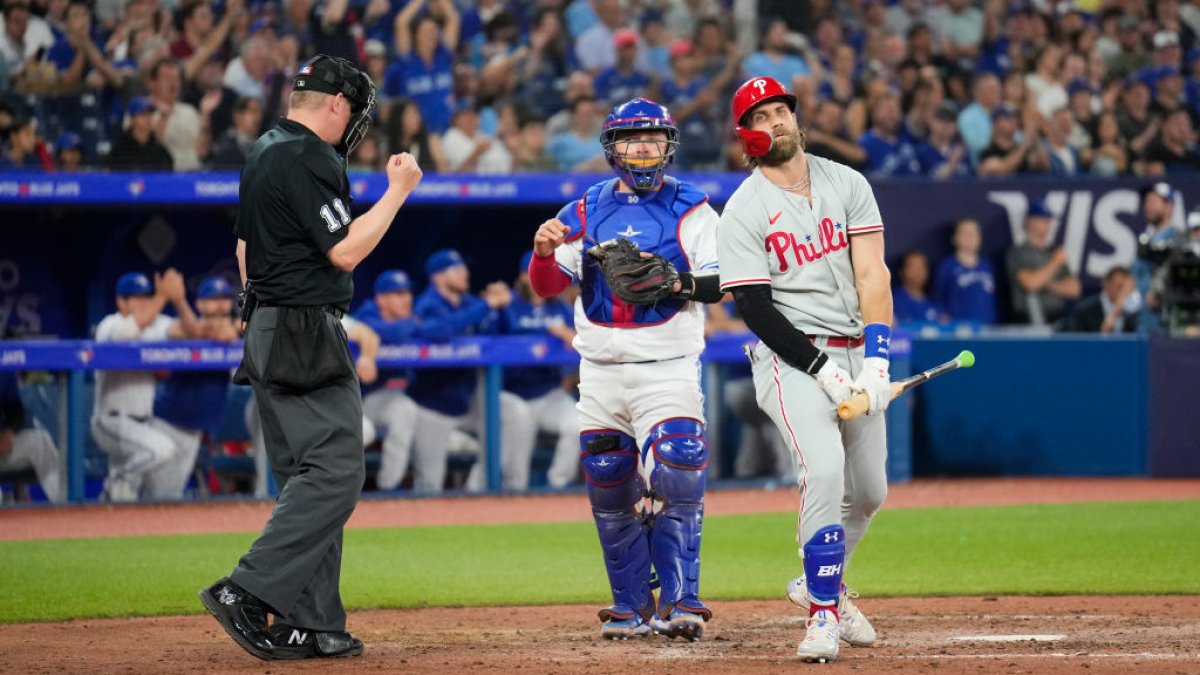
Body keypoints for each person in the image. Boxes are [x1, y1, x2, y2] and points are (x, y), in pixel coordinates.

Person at [200, 54, 423, 662]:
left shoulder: (265, 148)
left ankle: (310, 621)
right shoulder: (308, 155)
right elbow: (346, 251)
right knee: (337, 472)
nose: (356, 123)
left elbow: (244, 248)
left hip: (267, 326)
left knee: (307, 475)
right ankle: (247, 590)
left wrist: (261, 320)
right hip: (303, 331)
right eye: (354, 110)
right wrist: (399, 190)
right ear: (336, 105)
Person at [529, 97, 724, 641]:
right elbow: (547, 285)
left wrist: (676, 282)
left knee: (677, 468)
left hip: (667, 362)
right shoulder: (587, 207)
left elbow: (724, 281)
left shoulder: (694, 208)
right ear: (611, 148)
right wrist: (543, 253)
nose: (642, 147)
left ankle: (682, 600)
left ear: (668, 145)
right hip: (600, 367)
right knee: (609, 481)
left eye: (653, 138)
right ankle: (631, 606)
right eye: (630, 138)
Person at [715, 76, 893, 663]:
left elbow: (873, 275)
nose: (775, 122)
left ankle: (826, 586)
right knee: (823, 469)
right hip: (789, 357)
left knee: (869, 491)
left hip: (853, 350)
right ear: (747, 136)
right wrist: (821, 367)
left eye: (780, 111)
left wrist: (876, 359)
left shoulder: (848, 182)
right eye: (760, 117)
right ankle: (821, 615)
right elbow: (754, 308)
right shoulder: (743, 208)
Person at [407, 249, 536, 493]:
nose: (465, 273)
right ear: (437, 277)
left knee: (516, 412)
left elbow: (508, 334)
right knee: (429, 486)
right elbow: (438, 332)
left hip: (470, 399)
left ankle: (502, 489)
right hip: (433, 406)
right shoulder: (427, 304)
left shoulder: (469, 303)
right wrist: (486, 305)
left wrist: (502, 308)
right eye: (456, 270)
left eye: (463, 268)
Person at [147, 275, 241, 500]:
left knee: (169, 498)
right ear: (199, 304)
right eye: (212, 299)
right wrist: (179, 303)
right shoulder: (180, 326)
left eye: (224, 299)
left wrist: (233, 328)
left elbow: (230, 330)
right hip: (167, 425)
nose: (220, 304)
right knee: (157, 500)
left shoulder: (238, 328)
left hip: (195, 432)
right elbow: (198, 331)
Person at [503, 250, 579, 489]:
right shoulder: (508, 305)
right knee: (518, 425)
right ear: (523, 277)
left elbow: (588, 345)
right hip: (511, 394)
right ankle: (513, 493)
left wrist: (572, 337)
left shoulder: (560, 308)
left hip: (549, 393)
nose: (539, 280)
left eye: (545, 274)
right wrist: (544, 333)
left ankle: (557, 486)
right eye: (534, 274)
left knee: (578, 424)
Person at [352, 269, 421, 491]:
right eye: (398, 294)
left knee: (405, 410)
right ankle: (340, 491)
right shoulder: (365, 316)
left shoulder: (406, 319)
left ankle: (390, 486)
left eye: (407, 293)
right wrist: (413, 323)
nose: (406, 299)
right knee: (363, 433)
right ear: (381, 298)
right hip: (350, 401)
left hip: (378, 400)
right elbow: (389, 333)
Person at [1005, 199, 1082, 326]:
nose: (1048, 224)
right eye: (1043, 219)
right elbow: (1031, 284)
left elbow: (1074, 289)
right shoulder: (1017, 253)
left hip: (1057, 319)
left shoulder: (1053, 252)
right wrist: (1054, 265)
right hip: (1027, 321)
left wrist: (1046, 283)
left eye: (1049, 220)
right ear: (1029, 221)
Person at [0, 370, 64, 503]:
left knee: (41, 443)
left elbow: (15, 409)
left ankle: (65, 505)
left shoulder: (4, 369)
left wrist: (10, 431)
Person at [933, 218, 997, 325]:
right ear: (954, 238)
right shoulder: (947, 266)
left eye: (974, 233)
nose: (970, 237)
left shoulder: (986, 266)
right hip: (958, 328)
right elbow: (938, 297)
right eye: (965, 233)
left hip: (986, 326)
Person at [1059, 266, 1141, 333]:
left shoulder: (1134, 312)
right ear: (1106, 285)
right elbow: (1073, 341)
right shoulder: (1084, 310)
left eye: (1128, 290)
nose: (1123, 294)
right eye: (1119, 288)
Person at [892, 250, 945, 324]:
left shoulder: (934, 303)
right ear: (902, 271)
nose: (919, 271)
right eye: (914, 267)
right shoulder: (893, 301)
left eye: (922, 266)